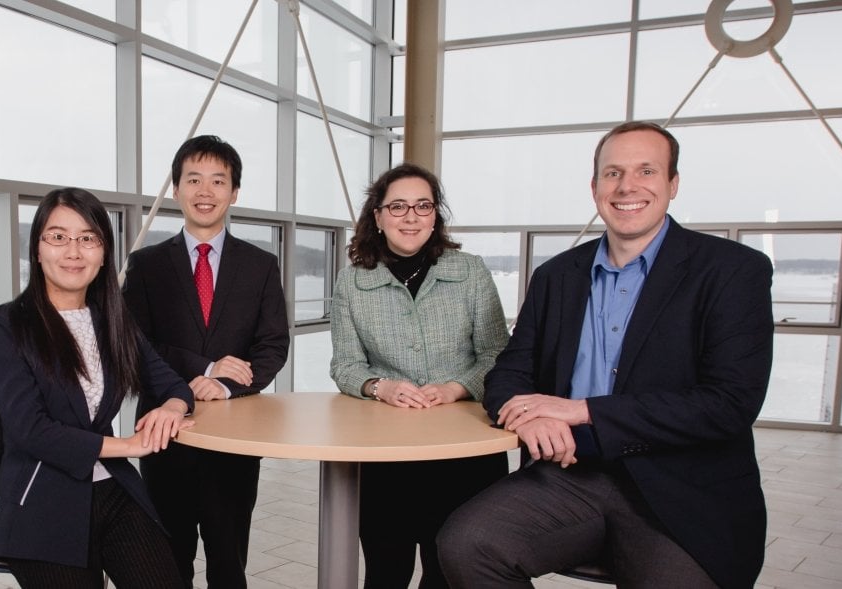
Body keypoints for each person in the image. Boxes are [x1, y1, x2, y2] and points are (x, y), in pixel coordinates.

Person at [437, 121, 774, 589]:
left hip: (680, 488)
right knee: (466, 543)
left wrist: (580, 410)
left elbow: (729, 404)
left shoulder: (732, 271)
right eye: (613, 173)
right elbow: (510, 370)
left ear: (672, 185)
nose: (627, 186)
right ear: (595, 187)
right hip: (571, 474)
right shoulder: (556, 276)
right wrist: (529, 418)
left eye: (646, 171)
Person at [0, 187, 193, 588]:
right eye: (57, 237)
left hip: (113, 488)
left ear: (103, 252)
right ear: (38, 249)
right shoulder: (4, 326)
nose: (73, 251)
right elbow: (31, 430)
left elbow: (173, 384)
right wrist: (130, 446)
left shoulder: (114, 321)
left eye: (87, 238)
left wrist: (172, 409)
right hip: (43, 497)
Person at [329, 163, 511, 589]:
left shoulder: (470, 270)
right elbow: (345, 366)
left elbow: (497, 354)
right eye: (397, 206)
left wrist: (457, 387)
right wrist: (380, 387)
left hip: (465, 452)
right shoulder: (353, 281)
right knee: (385, 570)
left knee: (450, 570)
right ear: (377, 216)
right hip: (385, 456)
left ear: (435, 215)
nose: (410, 217)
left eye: (422, 206)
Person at [122, 134, 290, 589]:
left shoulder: (260, 265)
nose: (205, 191)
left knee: (229, 561)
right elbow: (134, 343)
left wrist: (230, 385)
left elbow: (273, 344)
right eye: (193, 179)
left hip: (236, 439)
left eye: (218, 181)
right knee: (168, 561)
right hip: (164, 434)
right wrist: (205, 367)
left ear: (234, 192)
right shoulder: (145, 266)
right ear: (175, 188)